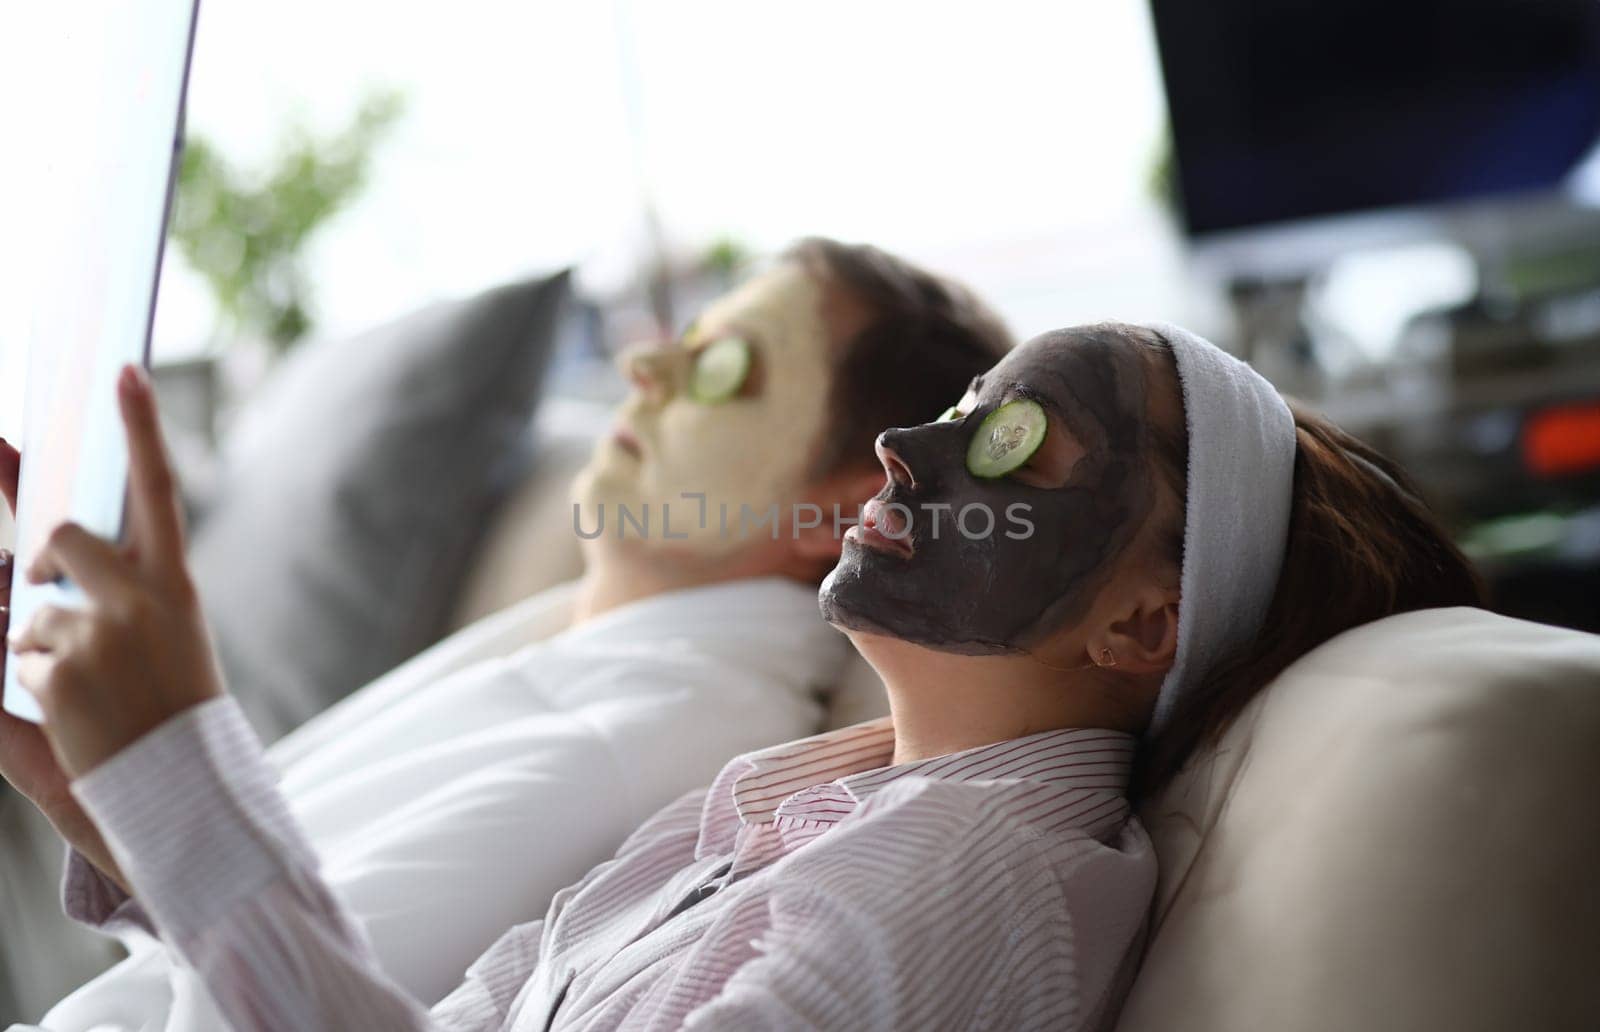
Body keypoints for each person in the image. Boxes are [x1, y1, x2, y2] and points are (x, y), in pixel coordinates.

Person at [1, 320, 1482, 1030]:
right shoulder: (784, 818)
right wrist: (125, 816)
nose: (917, 447)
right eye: (966, 406)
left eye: (1017, 441)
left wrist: (185, 773)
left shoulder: (977, 888)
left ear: (1141, 627)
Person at [8, 239, 1013, 1027]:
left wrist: (167, 763)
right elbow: (238, 939)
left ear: (841, 509)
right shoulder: (589, 645)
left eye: (728, 369)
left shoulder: (656, 735)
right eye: (686, 333)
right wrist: (108, 792)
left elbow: (294, 1004)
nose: (648, 361)